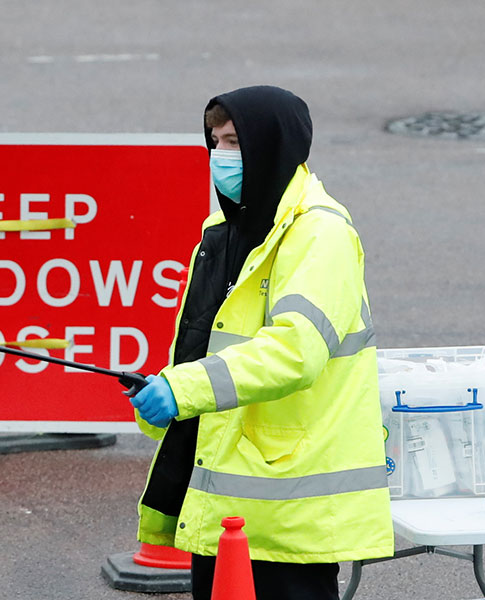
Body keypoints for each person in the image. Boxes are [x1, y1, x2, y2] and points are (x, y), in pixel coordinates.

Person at [129, 85, 393, 600]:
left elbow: (295, 350)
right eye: (215, 141)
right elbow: (201, 344)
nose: (221, 155)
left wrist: (183, 389)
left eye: (235, 141)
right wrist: (164, 394)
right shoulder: (222, 231)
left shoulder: (320, 234)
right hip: (223, 504)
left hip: (289, 511)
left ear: (275, 144)